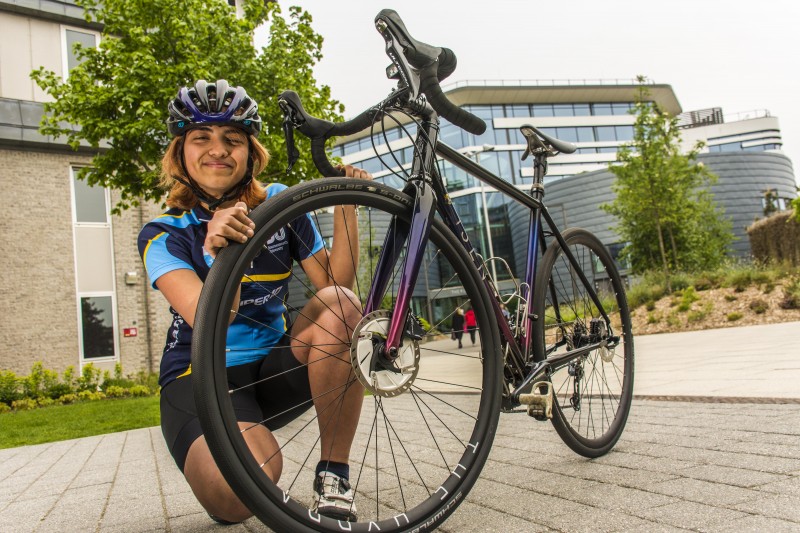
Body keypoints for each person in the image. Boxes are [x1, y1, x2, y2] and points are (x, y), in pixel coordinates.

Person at [138, 80, 370, 524]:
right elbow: (213, 324)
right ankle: (236, 441)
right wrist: (222, 251)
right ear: (180, 154)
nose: (218, 149)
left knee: (342, 305)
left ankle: (334, 475)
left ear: (250, 152)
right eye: (201, 138)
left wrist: (346, 208)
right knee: (237, 497)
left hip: (271, 370)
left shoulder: (281, 205)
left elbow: (337, 289)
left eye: (233, 139)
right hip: (201, 376)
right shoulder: (164, 233)